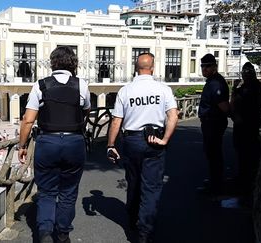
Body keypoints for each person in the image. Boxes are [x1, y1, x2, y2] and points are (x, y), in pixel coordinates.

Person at [18, 46, 91, 243]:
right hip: (74, 141)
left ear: (52, 63)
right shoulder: (81, 85)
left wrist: (22, 145)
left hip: (47, 141)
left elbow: (28, 120)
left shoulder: (40, 85)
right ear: (73, 63)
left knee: (47, 190)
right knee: (68, 191)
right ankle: (63, 233)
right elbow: (86, 111)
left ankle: (45, 231)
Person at [106, 52, 178, 243]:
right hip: (155, 138)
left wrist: (111, 145)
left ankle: (131, 217)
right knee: (152, 187)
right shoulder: (163, 89)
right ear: (153, 68)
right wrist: (165, 140)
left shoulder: (126, 90)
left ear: (136, 69)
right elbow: (173, 116)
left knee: (134, 181)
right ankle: (145, 231)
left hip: (131, 140)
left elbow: (116, 121)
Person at [230, 62, 261, 206]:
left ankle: (247, 183)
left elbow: (258, 104)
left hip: (249, 125)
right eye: (244, 72)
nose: (246, 74)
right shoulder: (248, 87)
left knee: (248, 154)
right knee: (242, 152)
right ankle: (244, 179)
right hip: (242, 125)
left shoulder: (256, 87)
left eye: (248, 72)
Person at [198, 53, 230, 196]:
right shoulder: (212, 81)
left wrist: (234, 116)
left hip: (213, 123)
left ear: (214, 67)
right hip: (210, 122)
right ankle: (215, 181)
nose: (204, 69)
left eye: (207, 66)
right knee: (212, 154)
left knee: (214, 154)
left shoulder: (216, 83)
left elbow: (223, 105)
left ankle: (216, 185)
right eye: (202, 67)